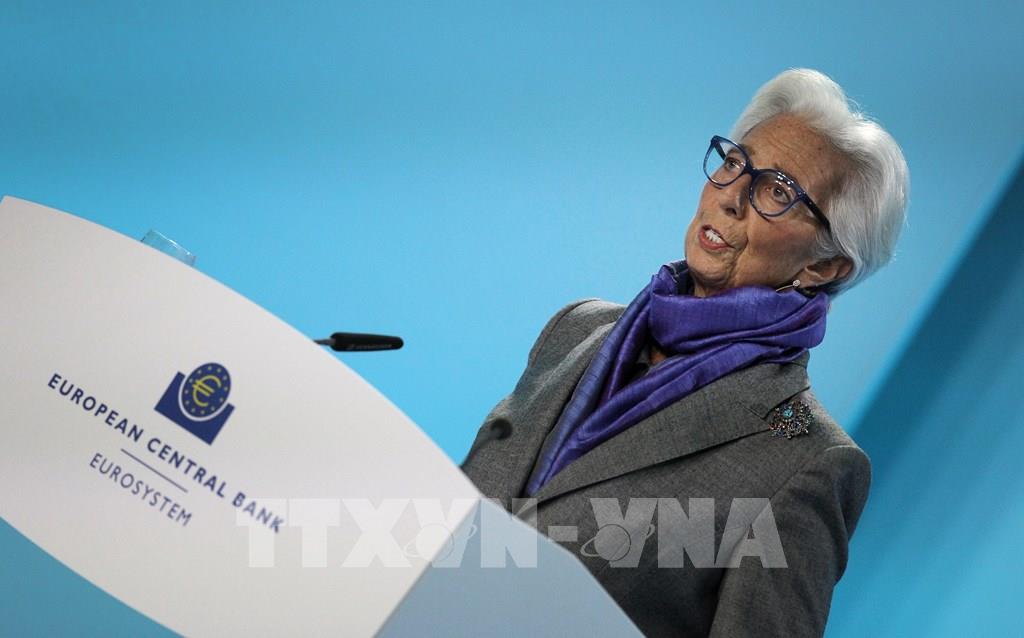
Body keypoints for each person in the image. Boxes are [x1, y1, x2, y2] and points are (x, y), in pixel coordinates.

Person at [461, 68, 908, 637]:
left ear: (824, 266)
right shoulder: (575, 331)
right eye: (735, 162)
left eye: (777, 191)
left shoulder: (807, 461)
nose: (731, 197)